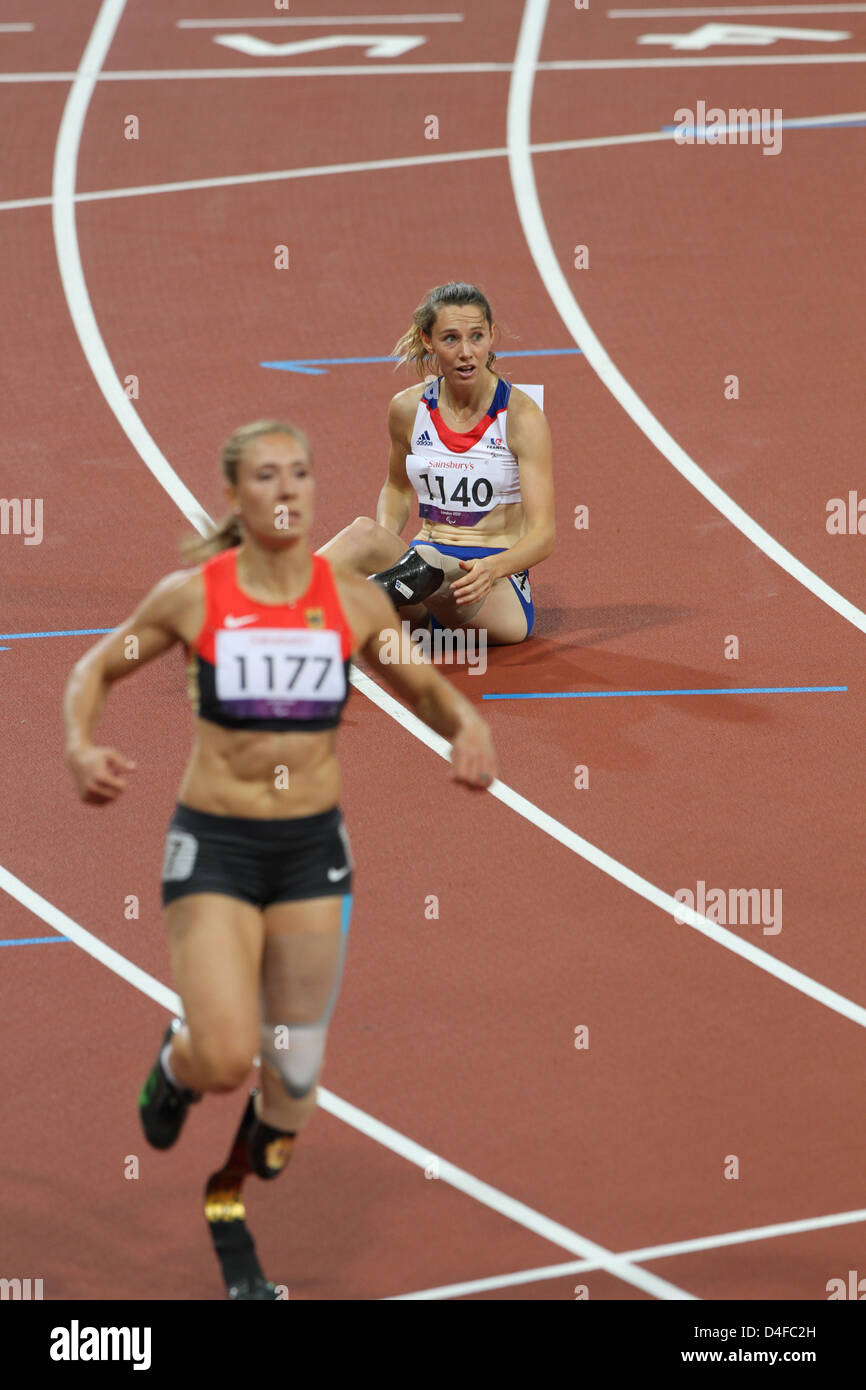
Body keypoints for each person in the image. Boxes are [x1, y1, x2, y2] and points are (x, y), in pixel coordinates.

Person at [63, 419, 497, 1298]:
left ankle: (228, 1201)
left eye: (300, 472)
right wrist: (80, 747)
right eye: (267, 476)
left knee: (291, 1089)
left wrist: (469, 730)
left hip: (309, 858)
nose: (289, 489)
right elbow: (97, 671)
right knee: (227, 1058)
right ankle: (179, 1064)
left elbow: (426, 687)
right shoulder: (195, 598)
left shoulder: (351, 601)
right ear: (236, 496)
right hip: (217, 848)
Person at [318, 281, 555, 646]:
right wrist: (386, 538)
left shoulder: (522, 416)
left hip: (490, 592)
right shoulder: (407, 408)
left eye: (476, 337)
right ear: (428, 340)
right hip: (418, 577)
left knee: (428, 559)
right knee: (363, 534)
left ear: (492, 336)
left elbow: (543, 535)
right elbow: (397, 487)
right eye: (451, 339)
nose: (466, 352)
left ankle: (359, 603)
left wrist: (493, 568)